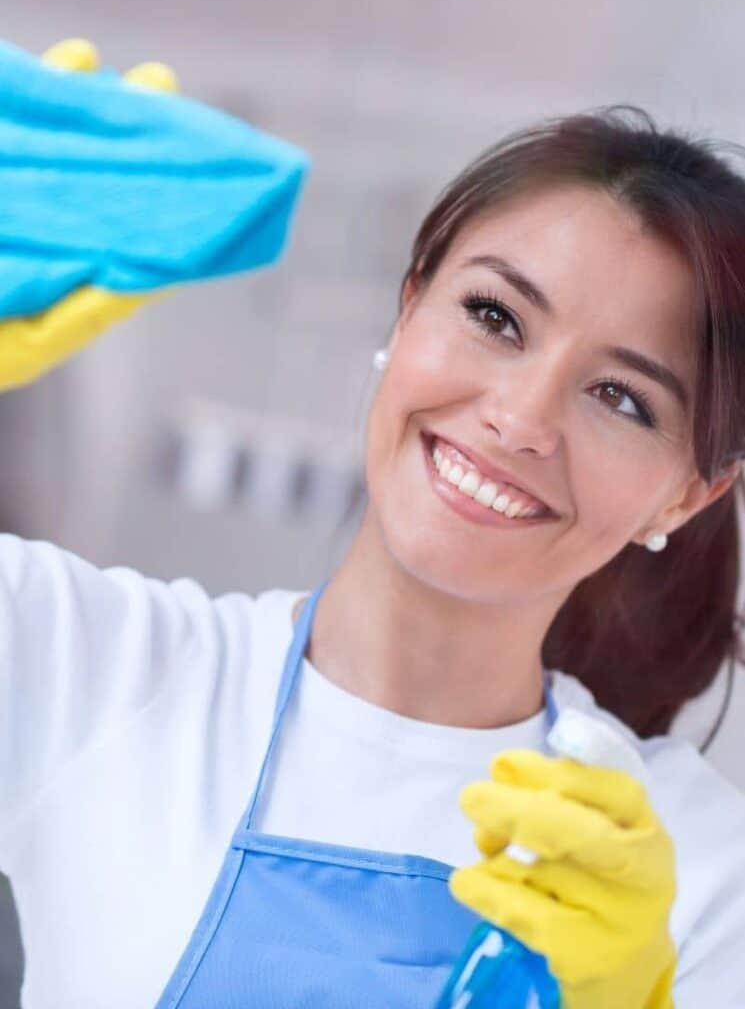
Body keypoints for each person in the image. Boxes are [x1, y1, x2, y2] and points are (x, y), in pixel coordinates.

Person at [1, 103, 745, 1009]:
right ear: (408, 307)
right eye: (493, 316)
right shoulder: (86, 660)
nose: (519, 419)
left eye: (621, 398)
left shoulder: (695, 874)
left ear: (687, 494)